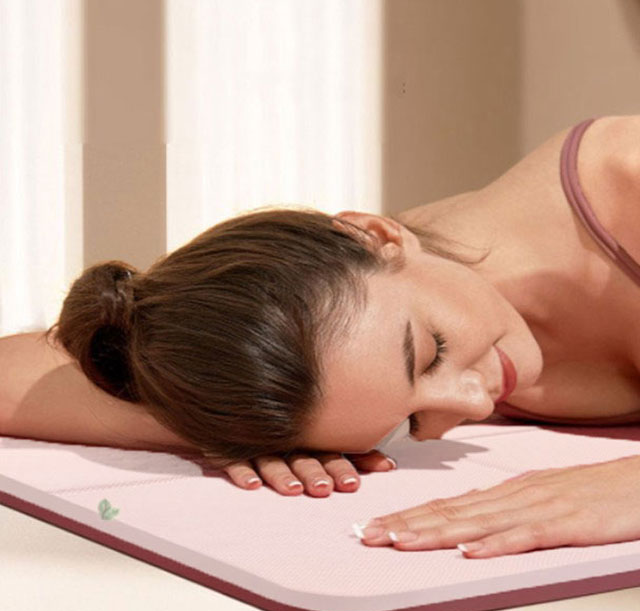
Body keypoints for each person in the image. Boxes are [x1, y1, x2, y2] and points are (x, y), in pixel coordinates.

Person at [2, 115, 640, 559]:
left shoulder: (626, 181)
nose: (472, 405)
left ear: (377, 236)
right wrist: (228, 425)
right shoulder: (340, 332)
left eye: (432, 352)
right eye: (410, 423)